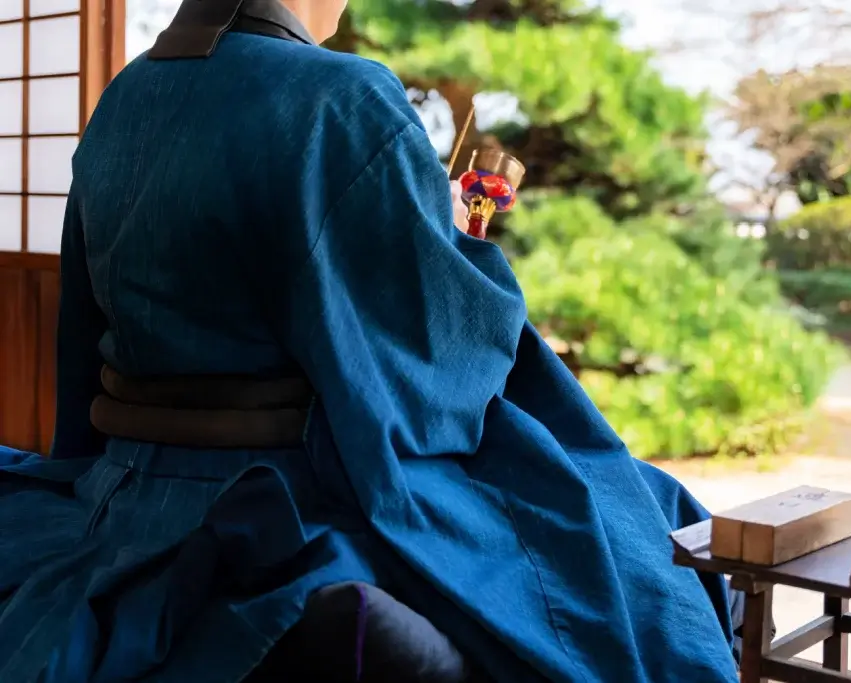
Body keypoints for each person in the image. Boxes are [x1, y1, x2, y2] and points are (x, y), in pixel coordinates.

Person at [0, 0, 741, 681]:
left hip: (125, 494)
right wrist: (455, 243)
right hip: (287, 489)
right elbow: (437, 376)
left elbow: (82, 340)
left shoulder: (123, 98)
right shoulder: (342, 96)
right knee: (642, 515)